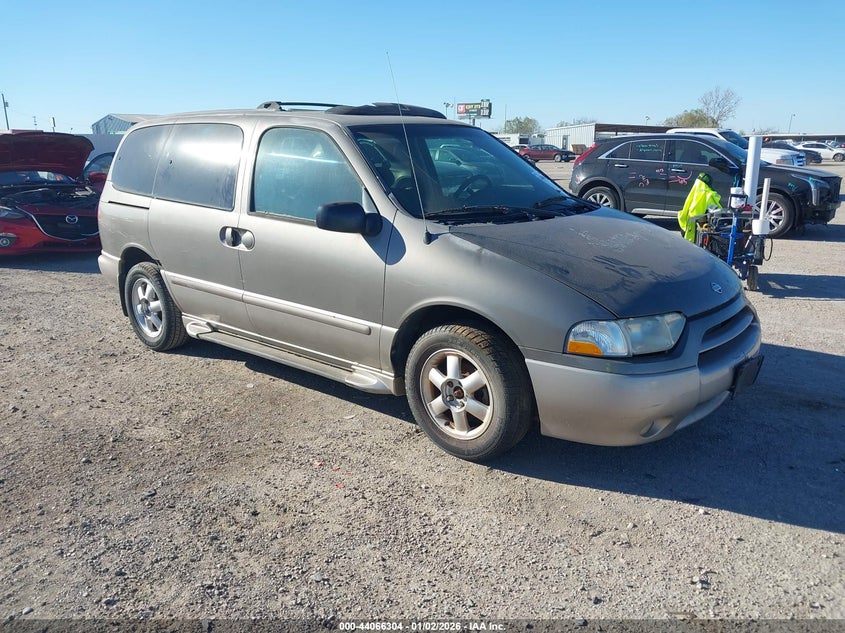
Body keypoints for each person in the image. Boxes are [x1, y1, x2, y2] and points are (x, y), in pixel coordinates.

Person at [678, 172, 721, 242]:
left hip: (690, 226)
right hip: (699, 226)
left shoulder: (694, 191)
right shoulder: (708, 194)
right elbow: (716, 210)